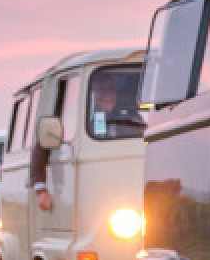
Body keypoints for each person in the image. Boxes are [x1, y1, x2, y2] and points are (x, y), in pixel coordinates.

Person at [31, 73, 143, 212]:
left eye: (110, 90)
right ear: (92, 93)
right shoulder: (73, 120)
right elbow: (44, 141)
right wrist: (41, 190)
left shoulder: (130, 119)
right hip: (90, 187)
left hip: (125, 184)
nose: (106, 95)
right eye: (101, 89)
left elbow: (144, 143)